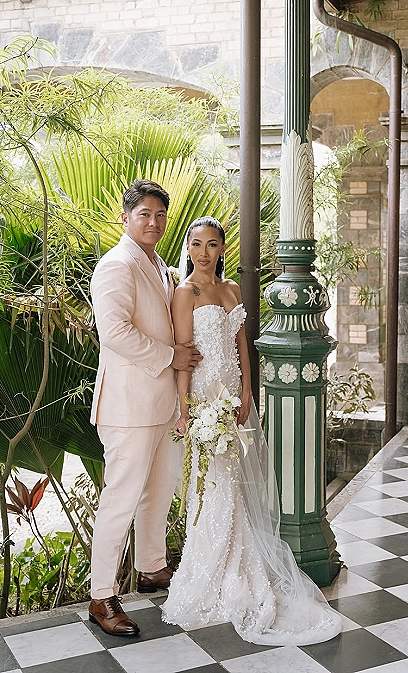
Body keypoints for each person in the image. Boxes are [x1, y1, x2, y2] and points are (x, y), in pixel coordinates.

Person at [162, 216, 342, 645]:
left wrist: (247, 391)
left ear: (222, 249)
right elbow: (186, 355)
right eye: (197, 244)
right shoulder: (184, 294)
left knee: (238, 484)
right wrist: (186, 410)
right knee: (213, 486)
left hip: (232, 396)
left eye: (212, 245)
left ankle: (241, 565)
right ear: (188, 249)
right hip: (205, 399)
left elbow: (243, 347)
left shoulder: (231, 291)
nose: (204, 252)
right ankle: (213, 572)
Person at [88, 179, 201, 637]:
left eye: (159, 215)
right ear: (125, 217)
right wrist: (170, 356)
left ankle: (153, 569)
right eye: (143, 215)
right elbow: (113, 333)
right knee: (120, 500)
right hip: (129, 406)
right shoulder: (116, 265)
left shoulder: (159, 265)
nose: (153, 223)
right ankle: (102, 597)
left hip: (163, 404)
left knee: (159, 491)